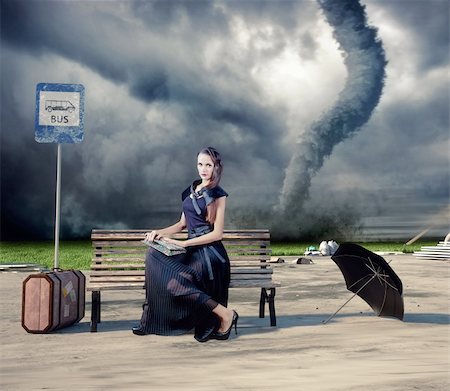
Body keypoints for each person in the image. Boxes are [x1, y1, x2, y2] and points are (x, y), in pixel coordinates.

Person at [132, 147, 238, 342]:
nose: (204, 169)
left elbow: (217, 234)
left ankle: (225, 315)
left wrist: (184, 243)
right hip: (190, 250)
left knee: (177, 282)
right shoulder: (188, 192)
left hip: (210, 255)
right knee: (153, 255)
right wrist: (159, 233)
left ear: (215, 167)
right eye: (200, 164)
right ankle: (149, 319)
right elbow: (182, 224)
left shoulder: (218, 194)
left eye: (208, 165)